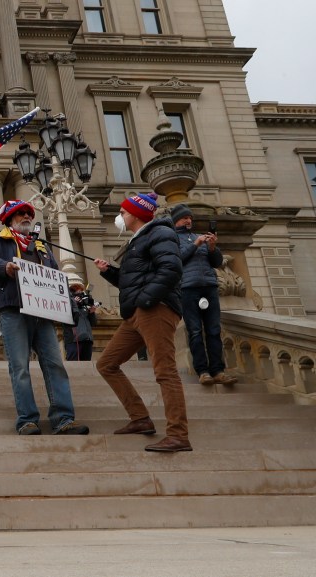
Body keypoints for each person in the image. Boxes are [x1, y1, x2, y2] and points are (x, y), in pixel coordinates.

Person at [0, 200, 89, 436]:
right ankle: (27, 420)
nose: (26, 216)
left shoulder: (41, 247)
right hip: (13, 311)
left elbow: (56, 278)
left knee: (55, 365)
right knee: (20, 368)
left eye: (28, 213)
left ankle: (63, 419)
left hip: (43, 314)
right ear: (9, 219)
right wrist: (4, 267)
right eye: (20, 214)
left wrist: (71, 311)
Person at [94, 192, 192, 452]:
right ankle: (140, 419)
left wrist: (147, 300)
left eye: (124, 212)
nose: (120, 216)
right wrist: (109, 272)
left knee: (165, 371)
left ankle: (178, 435)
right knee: (107, 363)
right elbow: (135, 281)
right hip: (137, 313)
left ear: (136, 214)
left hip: (155, 310)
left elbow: (171, 270)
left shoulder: (160, 233)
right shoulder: (140, 240)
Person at [170, 204, 237, 386]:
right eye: (185, 218)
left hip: (209, 285)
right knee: (195, 331)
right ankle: (203, 371)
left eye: (190, 217)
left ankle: (218, 371)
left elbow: (216, 262)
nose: (189, 220)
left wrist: (213, 247)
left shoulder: (199, 235)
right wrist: (195, 245)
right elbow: (177, 260)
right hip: (188, 288)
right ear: (177, 220)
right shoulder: (172, 238)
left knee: (214, 330)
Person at [63, 280, 98, 361]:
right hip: (74, 340)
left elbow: (93, 323)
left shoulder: (84, 307)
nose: (81, 295)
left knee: (86, 365)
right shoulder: (67, 305)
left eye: (82, 293)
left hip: (87, 340)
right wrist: (73, 304)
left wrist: (92, 313)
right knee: (73, 364)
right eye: (79, 293)